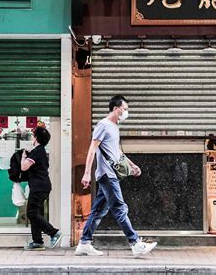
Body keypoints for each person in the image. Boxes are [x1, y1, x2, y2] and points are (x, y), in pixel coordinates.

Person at [74, 95, 157, 256]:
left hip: (112, 173)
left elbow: (117, 151)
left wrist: (132, 166)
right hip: (106, 174)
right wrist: (86, 174)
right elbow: (92, 149)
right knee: (120, 207)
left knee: (98, 211)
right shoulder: (103, 125)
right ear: (115, 108)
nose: (126, 112)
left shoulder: (114, 127)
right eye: (125, 109)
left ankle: (84, 243)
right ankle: (135, 243)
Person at [21, 126, 62, 250]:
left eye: (33, 135)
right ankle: (37, 241)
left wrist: (23, 155)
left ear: (36, 138)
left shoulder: (37, 151)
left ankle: (53, 232)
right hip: (42, 186)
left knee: (31, 213)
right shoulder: (40, 151)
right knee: (36, 213)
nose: (32, 138)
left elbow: (24, 167)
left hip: (39, 187)